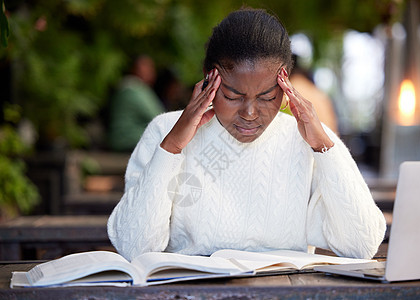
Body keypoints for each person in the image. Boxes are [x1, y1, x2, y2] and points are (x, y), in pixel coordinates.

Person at [108, 8, 386, 261]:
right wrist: (172, 146)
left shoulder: (307, 138)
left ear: (285, 81)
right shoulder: (165, 131)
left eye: (266, 96)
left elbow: (361, 245)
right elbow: (134, 246)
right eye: (232, 95)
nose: (250, 112)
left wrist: (324, 147)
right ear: (208, 78)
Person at [107, 55, 165, 152]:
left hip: (122, 139)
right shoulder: (134, 88)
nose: (150, 71)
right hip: (128, 140)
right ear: (134, 68)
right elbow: (158, 116)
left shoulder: (128, 87)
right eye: (145, 67)